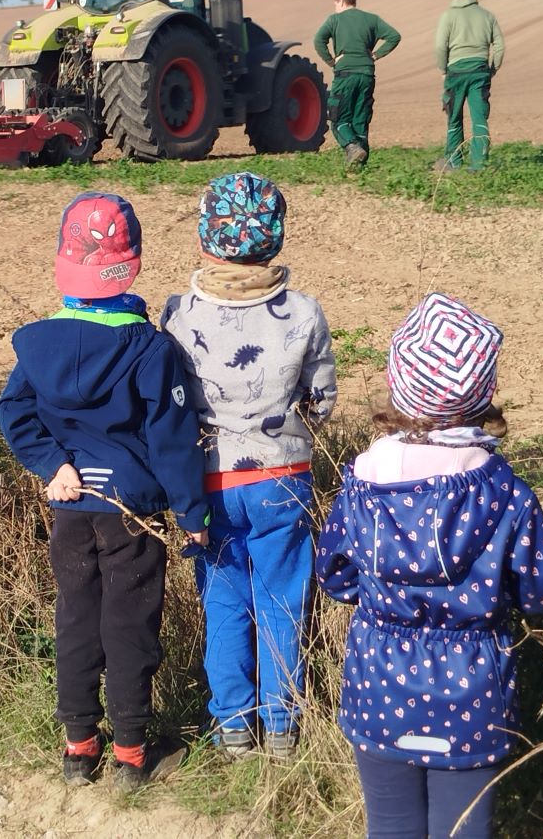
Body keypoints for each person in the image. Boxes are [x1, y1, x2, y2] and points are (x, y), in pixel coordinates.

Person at [315, 293, 543, 839]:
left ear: (397, 384)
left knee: (389, 826)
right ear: (485, 392)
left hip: (378, 682)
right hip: (474, 689)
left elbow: (335, 579)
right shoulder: (505, 493)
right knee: (464, 829)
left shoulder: (362, 482)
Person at [0, 193, 208, 791]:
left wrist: (51, 463)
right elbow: (171, 439)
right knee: (129, 626)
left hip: (70, 508)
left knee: (76, 621)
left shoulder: (39, 343)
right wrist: (192, 511)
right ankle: (132, 754)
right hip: (130, 513)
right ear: (131, 263)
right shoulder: (149, 348)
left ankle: (77, 747)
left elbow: (13, 411)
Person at [160, 173, 337, 761]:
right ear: (276, 237)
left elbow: (171, 399)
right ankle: (282, 722)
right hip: (281, 480)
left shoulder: (179, 314)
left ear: (205, 236)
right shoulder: (305, 312)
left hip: (206, 482)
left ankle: (233, 724)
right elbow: (323, 401)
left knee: (224, 600)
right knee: (283, 599)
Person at [313, 0, 401, 166]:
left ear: (341, 1)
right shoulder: (372, 19)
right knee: (360, 119)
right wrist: (375, 55)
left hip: (345, 74)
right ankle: (360, 166)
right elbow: (394, 36)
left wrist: (332, 61)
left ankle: (352, 147)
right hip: (367, 75)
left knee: (337, 119)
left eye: (335, 4)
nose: (335, 8)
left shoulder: (335, 19)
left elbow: (318, 40)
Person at [434, 0, 505, 171]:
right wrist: (493, 68)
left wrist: (443, 70)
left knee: (454, 117)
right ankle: (479, 164)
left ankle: (454, 162)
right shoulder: (487, 16)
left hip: (456, 71)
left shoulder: (448, 15)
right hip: (480, 70)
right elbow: (499, 45)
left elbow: (440, 46)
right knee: (480, 118)